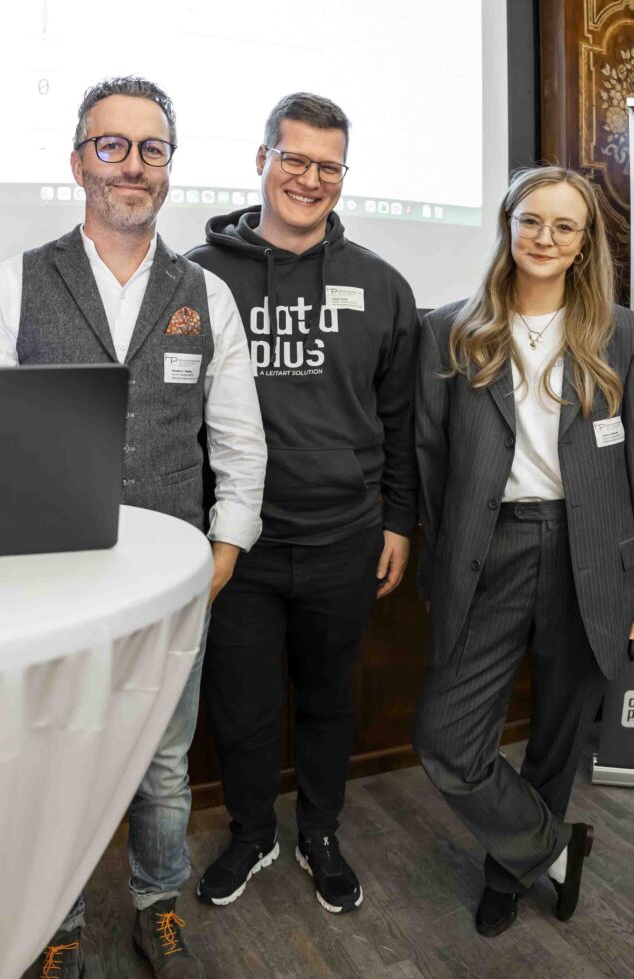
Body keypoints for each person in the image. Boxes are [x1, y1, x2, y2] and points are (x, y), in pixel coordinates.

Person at [0, 76, 267, 979]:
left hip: (173, 584)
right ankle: (52, 927)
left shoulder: (205, 294)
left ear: (168, 167)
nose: (133, 165)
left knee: (164, 764)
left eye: (152, 148)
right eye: (112, 145)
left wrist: (226, 548)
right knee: (48, 761)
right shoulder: (20, 279)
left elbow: (239, 437)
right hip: (49, 583)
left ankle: (155, 905)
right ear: (78, 161)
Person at [186, 92, 419, 914]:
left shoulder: (381, 285)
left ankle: (320, 833)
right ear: (261, 160)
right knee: (241, 709)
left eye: (329, 166)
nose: (309, 179)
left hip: (344, 538)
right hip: (234, 546)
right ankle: (252, 834)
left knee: (327, 700)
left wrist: (397, 521)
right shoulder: (195, 275)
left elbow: (399, 419)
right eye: (294, 159)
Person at [413, 165, 634, 937]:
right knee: (445, 739)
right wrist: (438, 568)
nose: (544, 237)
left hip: (590, 552)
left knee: (558, 734)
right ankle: (548, 848)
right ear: (507, 225)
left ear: (583, 242)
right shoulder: (450, 329)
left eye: (563, 226)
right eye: (530, 220)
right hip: (490, 548)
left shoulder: (619, 333)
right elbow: (428, 459)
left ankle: (507, 872)